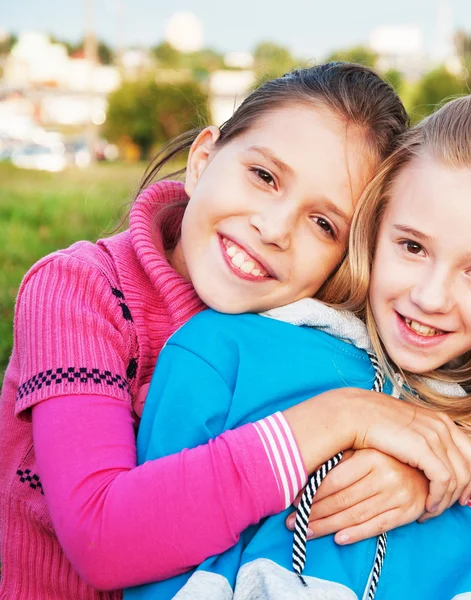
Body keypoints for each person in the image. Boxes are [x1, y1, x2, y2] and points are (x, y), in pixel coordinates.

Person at [0, 62, 430, 600]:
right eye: (264, 176)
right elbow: (100, 538)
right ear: (203, 160)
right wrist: (345, 417)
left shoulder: (317, 321)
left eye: (324, 224)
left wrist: (429, 473)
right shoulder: (79, 289)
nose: (273, 229)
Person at [125, 94, 471, 600]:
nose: (429, 298)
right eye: (412, 246)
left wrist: (436, 469)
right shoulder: (234, 348)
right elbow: (153, 552)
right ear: (372, 224)